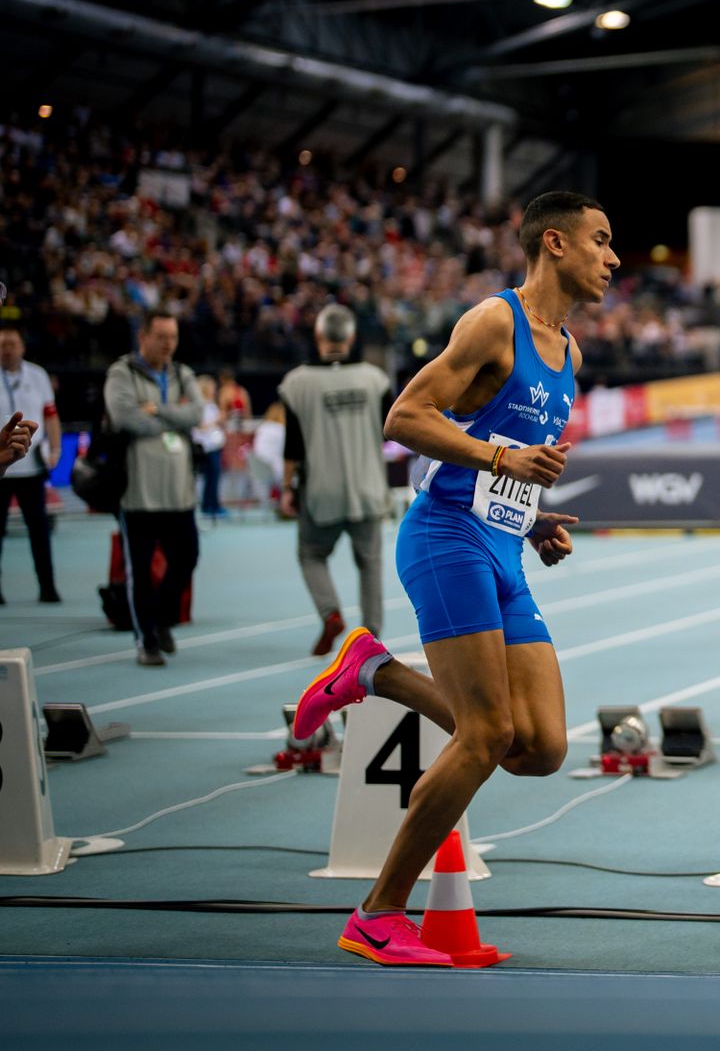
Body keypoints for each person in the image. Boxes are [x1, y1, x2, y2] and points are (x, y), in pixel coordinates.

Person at [289, 190, 616, 968]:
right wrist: (507, 464)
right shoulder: (493, 321)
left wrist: (532, 519)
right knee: (485, 736)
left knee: (538, 747)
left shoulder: (569, 355)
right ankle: (377, 913)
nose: (613, 257)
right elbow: (404, 419)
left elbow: (488, 450)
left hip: (499, 546)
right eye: (601, 240)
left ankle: (375, 669)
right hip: (444, 538)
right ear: (555, 243)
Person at [279, 304, 393, 656]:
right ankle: (371, 638)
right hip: (368, 487)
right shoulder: (376, 380)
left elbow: (292, 447)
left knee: (311, 554)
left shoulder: (296, 384)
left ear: (318, 337)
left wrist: (286, 489)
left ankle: (330, 613)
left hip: (320, 492)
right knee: (370, 562)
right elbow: (391, 432)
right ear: (352, 337)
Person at [104, 313, 205, 666]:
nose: (168, 344)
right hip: (139, 494)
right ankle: (146, 640)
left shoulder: (182, 373)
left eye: (172, 337)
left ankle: (161, 619)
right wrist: (172, 415)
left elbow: (196, 412)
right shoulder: (122, 373)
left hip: (180, 494)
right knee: (141, 572)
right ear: (142, 336)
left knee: (188, 557)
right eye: (161, 336)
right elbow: (124, 417)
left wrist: (158, 410)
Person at [0, 324, 62, 605]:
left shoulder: (37, 375)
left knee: (40, 531)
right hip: (0, 468)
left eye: (12, 343)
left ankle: (48, 587)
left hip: (31, 465)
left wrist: (56, 446)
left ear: (23, 347)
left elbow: (50, 415)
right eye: (2, 344)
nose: (7, 348)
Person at [191, 374, 229, 519]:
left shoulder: (212, 405)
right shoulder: (200, 406)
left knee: (215, 478)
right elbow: (201, 426)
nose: (215, 390)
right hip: (207, 448)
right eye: (212, 387)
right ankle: (209, 506)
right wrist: (217, 420)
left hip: (215, 446)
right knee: (211, 478)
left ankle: (214, 504)